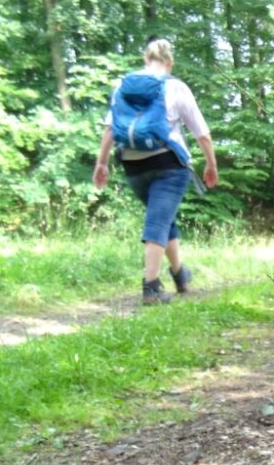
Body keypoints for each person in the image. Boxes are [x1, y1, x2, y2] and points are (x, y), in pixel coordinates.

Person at [93, 37, 218, 305]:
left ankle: (180, 275)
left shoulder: (122, 86)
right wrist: (211, 164)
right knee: (158, 223)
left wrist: (101, 164)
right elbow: (202, 133)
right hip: (169, 165)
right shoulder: (175, 86)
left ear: (145, 60)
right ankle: (150, 288)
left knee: (162, 218)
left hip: (133, 165)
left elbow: (109, 129)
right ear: (168, 63)